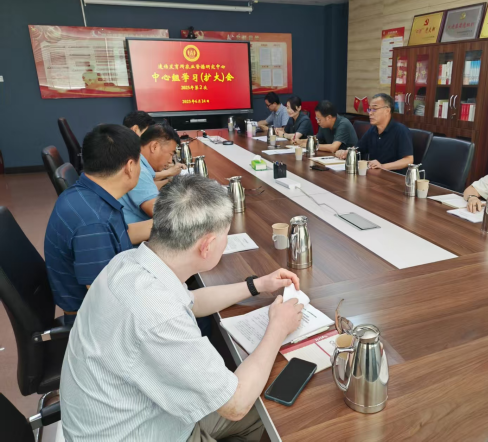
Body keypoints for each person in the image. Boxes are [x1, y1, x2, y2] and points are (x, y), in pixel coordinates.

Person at [60, 175, 304, 442]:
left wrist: (257, 285)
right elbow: (236, 404)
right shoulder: (159, 316)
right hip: (142, 433)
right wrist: (278, 327)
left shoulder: (129, 262)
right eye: (225, 235)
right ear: (207, 246)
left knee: (264, 405)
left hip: (132, 415)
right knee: (281, 411)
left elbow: (191, 301)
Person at [44, 124, 153, 324]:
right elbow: (106, 298)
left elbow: (122, 233)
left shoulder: (87, 194)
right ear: (130, 166)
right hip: (94, 323)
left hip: (106, 296)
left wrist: (172, 223)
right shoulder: (93, 223)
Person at [334, 93, 413, 171]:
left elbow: (408, 160)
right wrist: (345, 152)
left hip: (392, 176)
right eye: (369, 109)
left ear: (387, 111)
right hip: (374, 173)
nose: (370, 113)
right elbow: (358, 148)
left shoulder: (401, 130)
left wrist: (382, 166)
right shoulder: (372, 130)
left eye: (374, 109)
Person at [119, 124, 180, 224]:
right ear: (154, 146)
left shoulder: (135, 160)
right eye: (170, 154)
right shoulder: (139, 170)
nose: (170, 161)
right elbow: (160, 214)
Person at [123, 111, 185, 187]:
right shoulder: (129, 160)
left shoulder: (138, 159)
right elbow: (144, 179)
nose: (149, 136)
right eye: (147, 132)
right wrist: (169, 172)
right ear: (135, 130)